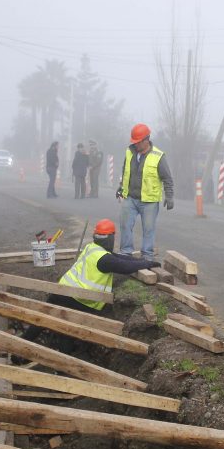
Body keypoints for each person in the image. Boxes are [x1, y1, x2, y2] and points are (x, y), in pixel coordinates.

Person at [20, 219, 160, 350]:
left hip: (62, 291)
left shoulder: (92, 248)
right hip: (78, 299)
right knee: (68, 330)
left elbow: (119, 258)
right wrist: (147, 263)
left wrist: (142, 261)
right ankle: (61, 364)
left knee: (43, 320)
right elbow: (124, 266)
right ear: (111, 237)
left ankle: (19, 349)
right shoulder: (104, 260)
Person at [116, 123, 175, 258]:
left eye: (138, 142)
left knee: (148, 230)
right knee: (125, 225)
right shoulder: (129, 152)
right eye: (134, 142)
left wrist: (170, 196)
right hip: (130, 197)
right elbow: (126, 172)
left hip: (149, 201)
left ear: (146, 140)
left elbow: (167, 178)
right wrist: (121, 187)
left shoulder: (158, 156)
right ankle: (126, 253)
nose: (135, 145)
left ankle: (147, 256)